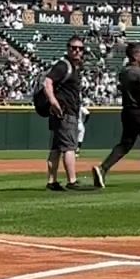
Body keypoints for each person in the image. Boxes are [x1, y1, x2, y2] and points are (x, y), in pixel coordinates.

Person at [92, 42, 140, 191]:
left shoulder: (124, 71)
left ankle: (103, 168)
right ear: (136, 55)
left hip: (127, 111)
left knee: (125, 144)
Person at [42, 34, 86, 192]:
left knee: (56, 148)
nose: (77, 51)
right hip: (64, 112)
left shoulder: (74, 67)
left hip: (63, 112)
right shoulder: (63, 65)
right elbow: (47, 82)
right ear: (68, 49)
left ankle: (52, 181)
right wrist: (53, 101)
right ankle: (72, 180)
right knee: (69, 147)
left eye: (80, 49)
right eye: (74, 48)